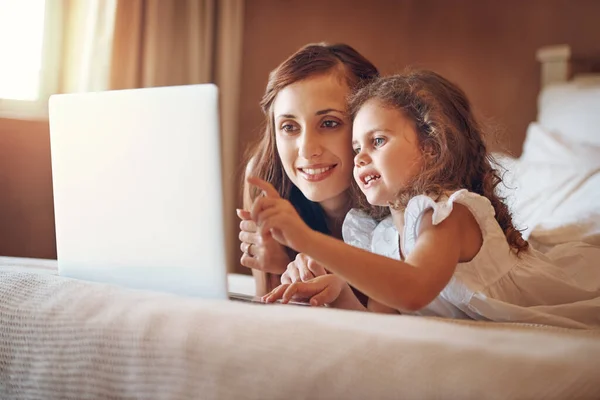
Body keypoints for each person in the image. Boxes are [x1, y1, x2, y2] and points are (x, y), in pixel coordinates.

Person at [249, 70, 600, 329]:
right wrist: (339, 294)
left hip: (569, 297)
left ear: (431, 148)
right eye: (357, 148)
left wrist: (306, 239)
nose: (359, 158)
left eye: (378, 141)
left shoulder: (448, 214)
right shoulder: (385, 236)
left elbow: (413, 289)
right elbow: (381, 326)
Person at [237, 43, 380, 296]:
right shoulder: (264, 178)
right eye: (289, 127)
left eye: (329, 123)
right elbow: (268, 315)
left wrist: (291, 266)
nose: (306, 149)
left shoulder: (401, 194)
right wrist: (279, 269)